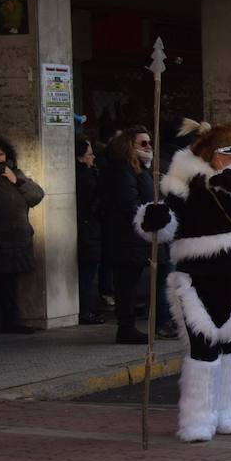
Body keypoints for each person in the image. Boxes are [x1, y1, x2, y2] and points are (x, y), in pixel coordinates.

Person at [135, 121, 231, 442]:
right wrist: (154, 219)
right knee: (202, 347)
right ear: (210, 154)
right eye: (227, 151)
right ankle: (197, 418)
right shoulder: (183, 182)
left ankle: (227, 412)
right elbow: (169, 221)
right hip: (198, 272)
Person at [100, 126, 156, 343]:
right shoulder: (123, 168)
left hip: (135, 236)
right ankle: (126, 327)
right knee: (126, 283)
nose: (148, 147)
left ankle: (128, 325)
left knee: (131, 282)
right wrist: (147, 217)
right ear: (130, 145)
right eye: (143, 143)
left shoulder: (140, 167)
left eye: (149, 142)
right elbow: (128, 202)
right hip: (125, 236)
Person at [0, 136, 45, 336]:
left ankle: (11, 320)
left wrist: (17, 181)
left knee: (10, 283)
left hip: (18, 239)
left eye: (0, 154)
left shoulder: (14, 174)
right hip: (0, 238)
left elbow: (36, 195)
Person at [74, 135, 105, 325]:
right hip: (88, 231)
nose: (93, 157)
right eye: (90, 154)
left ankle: (87, 308)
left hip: (88, 230)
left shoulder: (89, 175)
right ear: (80, 157)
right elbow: (93, 204)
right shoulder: (86, 179)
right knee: (87, 273)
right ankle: (86, 310)